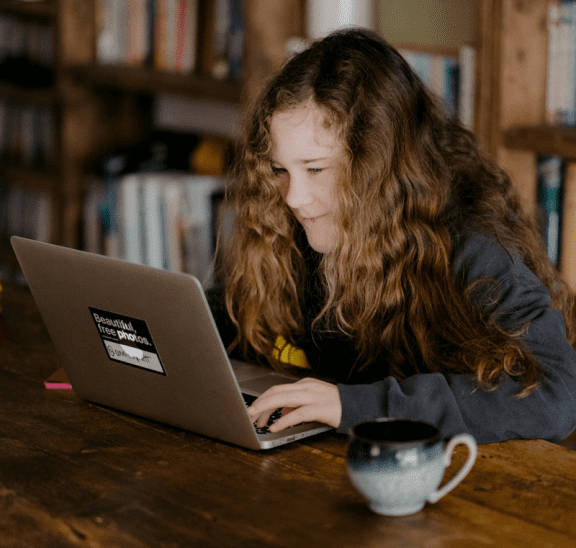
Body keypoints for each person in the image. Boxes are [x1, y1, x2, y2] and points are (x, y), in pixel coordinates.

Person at [207, 27, 576, 445]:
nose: (294, 197)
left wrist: (355, 406)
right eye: (280, 170)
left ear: (378, 167)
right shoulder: (301, 225)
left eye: (316, 169)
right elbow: (234, 320)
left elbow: (557, 395)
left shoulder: (473, 245)